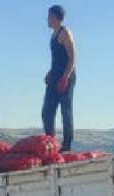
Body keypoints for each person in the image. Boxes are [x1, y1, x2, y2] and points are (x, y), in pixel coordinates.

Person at [42, 4, 77, 152]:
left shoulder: (65, 33)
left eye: (49, 16)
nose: (47, 19)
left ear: (55, 17)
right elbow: (57, 58)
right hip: (54, 76)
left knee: (65, 111)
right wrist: (50, 73)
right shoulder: (53, 35)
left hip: (66, 76)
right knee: (47, 112)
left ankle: (67, 145)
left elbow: (72, 58)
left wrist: (65, 78)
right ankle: (51, 144)